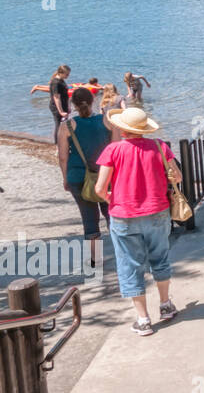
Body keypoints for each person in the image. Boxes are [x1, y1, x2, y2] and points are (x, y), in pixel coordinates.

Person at [94, 107, 179, 337]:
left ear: (122, 128)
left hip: (124, 216)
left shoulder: (112, 150)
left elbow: (99, 189)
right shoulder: (160, 147)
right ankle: (165, 304)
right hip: (157, 212)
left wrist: (113, 199)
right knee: (160, 257)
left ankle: (143, 319)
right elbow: (177, 177)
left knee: (129, 265)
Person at [57, 87, 113, 265]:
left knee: (88, 216)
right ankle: (122, 249)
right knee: (111, 212)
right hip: (105, 175)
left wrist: (65, 178)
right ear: (93, 100)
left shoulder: (67, 126)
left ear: (73, 105)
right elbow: (116, 149)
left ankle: (96, 258)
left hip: (78, 176)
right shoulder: (106, 121)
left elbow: (63, 156)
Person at [48, 64, 71, 141]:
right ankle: (58, 144)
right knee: (59, 125)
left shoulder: (61, 80)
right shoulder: (55, 82)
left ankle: (64, 141)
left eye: (69, 74)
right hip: (56, 107)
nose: (68, 76)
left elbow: (66, 95)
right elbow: (56, 97)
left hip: (64, 105)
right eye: (67, 74)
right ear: (61, 73)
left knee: (65, 125)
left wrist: (68, 106)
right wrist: (60, 111)